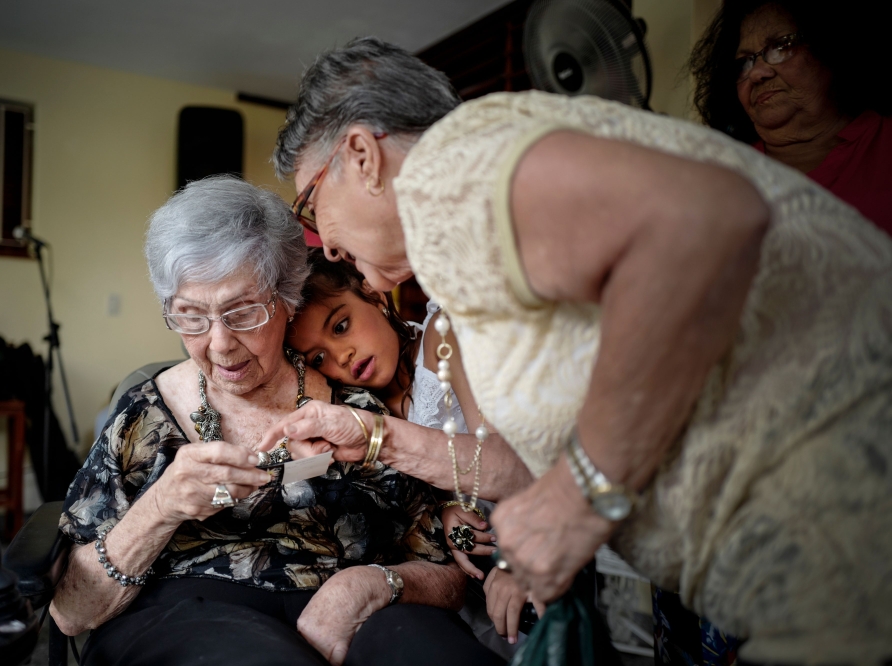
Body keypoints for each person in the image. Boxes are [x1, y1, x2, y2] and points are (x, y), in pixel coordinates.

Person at [264, 37, 892, 664]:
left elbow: (709, 221)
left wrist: (578, 495)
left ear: (362, 155)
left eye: (310, 203)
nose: (328, 245)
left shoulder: (460, 164)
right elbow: (541, 446)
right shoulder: (464, 243)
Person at [51, 176, 503, 666]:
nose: (219, 344)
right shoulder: (142, 419)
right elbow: (72, 613)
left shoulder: (361, 412)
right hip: (194, 616)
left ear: (287, 300)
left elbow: (446, 572)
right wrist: (161, 506)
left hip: (363, 612)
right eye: (191, 317)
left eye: (242, 313)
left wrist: (373, 584)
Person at [285, 250, 533, 652]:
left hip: (541, 535)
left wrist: (520, 564)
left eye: (342, 326)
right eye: (319, 358)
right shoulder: (355, 411)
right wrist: (446, 508)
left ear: (374, 295)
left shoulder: (443, 338)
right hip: (458, 583)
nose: (341, 356)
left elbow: (512, 463)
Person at [690, 0, 892, 234]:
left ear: (829, 45)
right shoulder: (719, 171)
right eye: (743, 63)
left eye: (781, 47)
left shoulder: (884, 141)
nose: (756, 73)